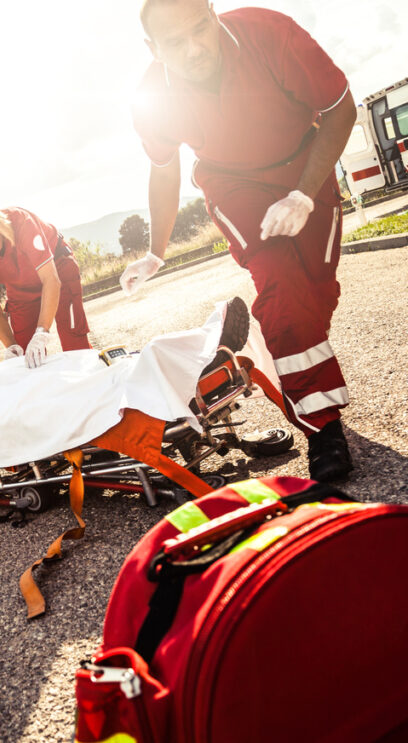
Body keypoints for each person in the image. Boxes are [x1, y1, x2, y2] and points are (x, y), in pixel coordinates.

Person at [121, 0, 357, 482]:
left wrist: (303, 194)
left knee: (316, 293)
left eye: (200, 29)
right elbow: (164, 170)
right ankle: (322, 425)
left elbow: (340, 109)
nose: (194, 49)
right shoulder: (153, 96)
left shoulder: (270, 33)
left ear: (213, 11)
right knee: (281, 284)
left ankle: (294, 353)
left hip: (304, 163)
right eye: (175, 43)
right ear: (153, 49)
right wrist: (155, 251)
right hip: (233, 185)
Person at [0, 202, 91, 369]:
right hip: (19, 287)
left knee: (74, 345)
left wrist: (42, 332)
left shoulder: (21, 223)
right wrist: (10, 345)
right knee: (26, 357)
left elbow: (51, 280)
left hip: (58, 269)